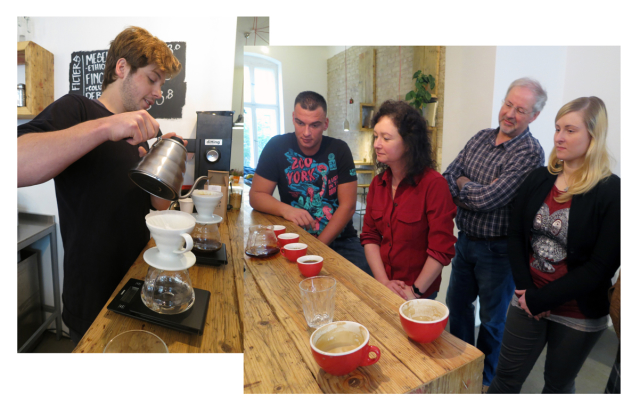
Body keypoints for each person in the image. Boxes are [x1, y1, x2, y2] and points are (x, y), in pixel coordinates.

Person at [17, 26, 182, 344]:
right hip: (91, 294)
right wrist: (107, 125)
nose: (159, 92)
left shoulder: (138, 134)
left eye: (162, 83)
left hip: (138, 279)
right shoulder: (77, 109)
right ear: (122, 68)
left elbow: (158, 206)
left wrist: (168, 162)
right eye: (152, 78)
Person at [488, 96, 620, 393]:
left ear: (593, 136)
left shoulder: (612, 192)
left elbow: (601, 267)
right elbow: (515, 235)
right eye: (558, 128)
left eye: (570, 130)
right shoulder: (539, 178)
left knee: (558, 385)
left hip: (578, 311)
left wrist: (543, 299)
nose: (559, 137)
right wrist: (526, 291)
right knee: (506, 379)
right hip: (527, 297)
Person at [442, 78, 546, 391]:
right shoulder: (480, 137)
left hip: (498, 253)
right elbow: (447, 177)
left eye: (521, 110)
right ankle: (460, 368)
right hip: (465, 242)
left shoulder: (529, 153)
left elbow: (490, 199)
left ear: (534, 117)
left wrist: (463, 184)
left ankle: (483, 381)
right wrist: (465, 186)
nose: (510, 113)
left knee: (492, 322)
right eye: (508, 104)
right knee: (457, 309)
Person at [249, 91, 371, 275]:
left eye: (315, 125)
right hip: (294, 239)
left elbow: (348, 206)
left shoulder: (339, 150)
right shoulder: (277, 146)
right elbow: (256, 196)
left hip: (341, 239)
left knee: (366, 282)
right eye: (300, 123)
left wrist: (318, 247)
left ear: (325, 124)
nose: (306, 133)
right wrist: (287, 210)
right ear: (293, 118)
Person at [360, 100, 456, 300]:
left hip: (418, 291)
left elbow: (441, 249)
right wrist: (383, 282)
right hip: (383, 284)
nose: (377, 144)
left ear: (408, 143)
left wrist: (414, 291)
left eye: (386, 138)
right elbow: (370, 236)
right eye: (376, 136)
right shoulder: (378, 184)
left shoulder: (434, 185)